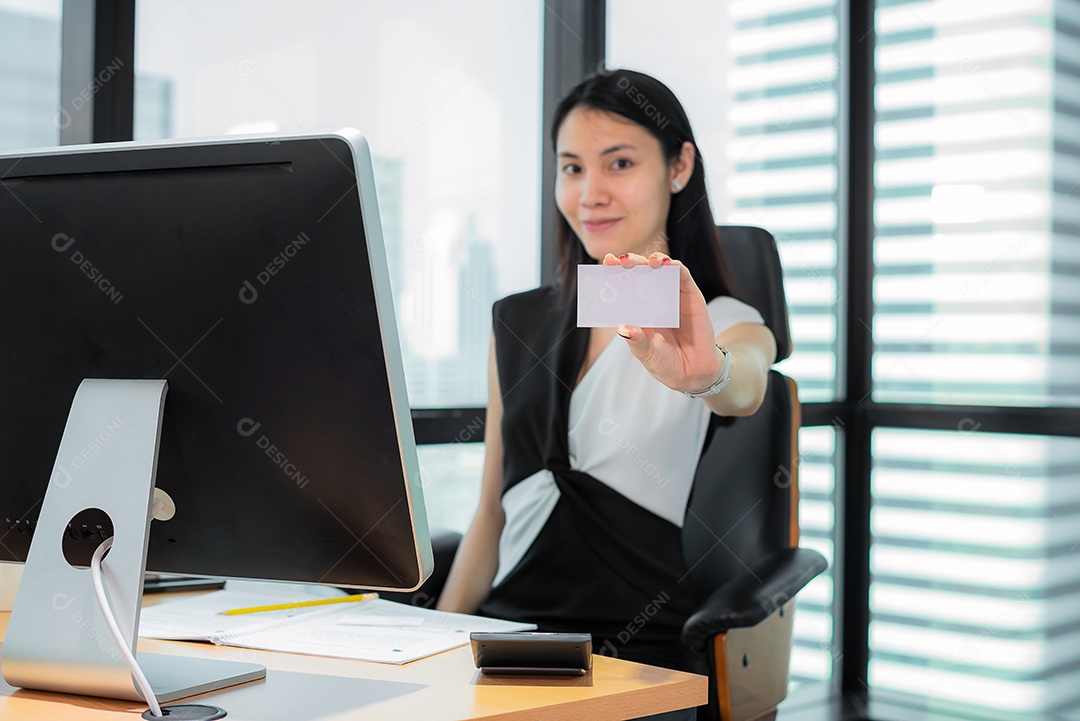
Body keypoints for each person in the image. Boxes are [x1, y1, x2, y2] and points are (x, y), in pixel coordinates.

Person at [437, 68, 777, 714]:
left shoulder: (721, 319)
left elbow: (747, 384)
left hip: (634, 648)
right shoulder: (516, 320)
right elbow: (491, 511)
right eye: (572, 168)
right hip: (510, 638)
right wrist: (440, 642)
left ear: (679, 167)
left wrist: (709, 374)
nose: (590, 194)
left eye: (619, 163)